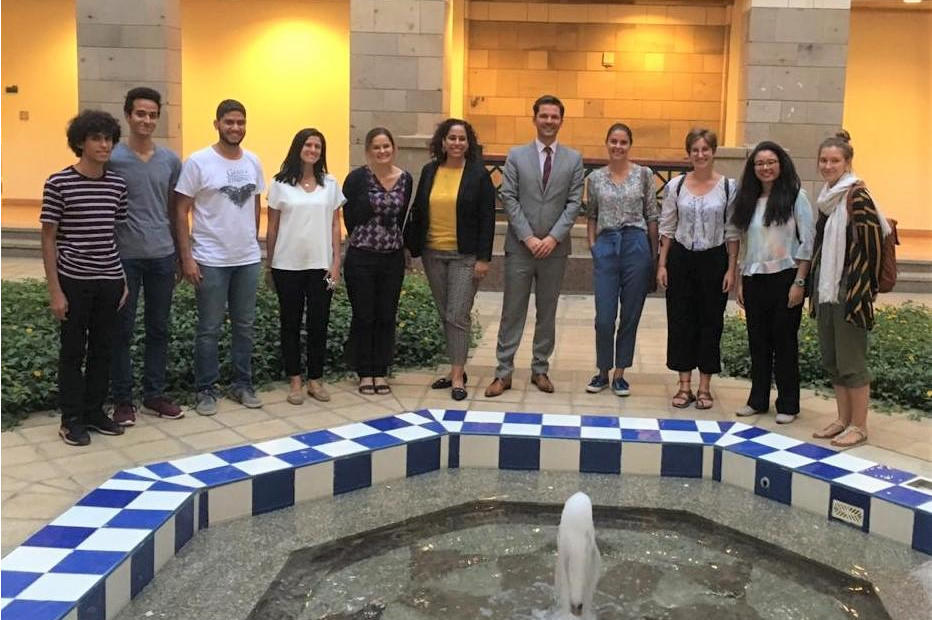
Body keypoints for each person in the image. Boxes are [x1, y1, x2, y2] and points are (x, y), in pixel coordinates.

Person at [485, 95, 585, 398]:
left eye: (555, 117)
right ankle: (504, 372)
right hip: (520, 247)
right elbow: (509, 197)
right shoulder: (516, 156)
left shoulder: (573, 159)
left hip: (555, 249)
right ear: (535, 119)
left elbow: (573, 203)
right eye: (544, 116)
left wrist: (552, 238)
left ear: (561, 121)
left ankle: (540, 369)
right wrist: (529, 237)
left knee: (547, 310)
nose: (549, 122)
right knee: (512, 310)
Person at [41, 110, 128, 446]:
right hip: (74, 280)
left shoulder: (117, 185)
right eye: (96, 138)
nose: (104, 145)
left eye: (108, 138)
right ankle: (71, 419)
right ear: (80, 142)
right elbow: (48, 238)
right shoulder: (58, 183)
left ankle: (94, 412)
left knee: (104, 349)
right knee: (73, 351)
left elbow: (115, 234)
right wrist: (55, 291)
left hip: (109, 280)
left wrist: (122, 278)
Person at [174, 99, 265, 415]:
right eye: (229, 122)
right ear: (217, 124)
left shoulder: (253, 161)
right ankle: (206, 390)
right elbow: (181, 209)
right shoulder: (198, 162)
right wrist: (187, 257)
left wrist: (253, 242)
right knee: (209, 329)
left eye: (240, 122)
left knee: (244, 325)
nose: (235, 128)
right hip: (210, 259)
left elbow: (255, 202)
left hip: (247, 259)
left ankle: (243, 384)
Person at [109, 87, 184, 426]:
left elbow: (175, 209)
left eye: (153, 114)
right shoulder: (112, 158)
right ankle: (123, 400)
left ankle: (154, 394)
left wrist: (183, 254)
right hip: (124, 258)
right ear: (128, 115)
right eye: (140, 113)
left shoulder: (170, 160)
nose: (147, 120)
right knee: (122, 330)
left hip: (162, 256)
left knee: (159, 328)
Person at [810, 131, 888, 448]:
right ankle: (843, 420)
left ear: (847, 162)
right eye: (824, 160)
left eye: (835, 160)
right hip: (827, 288)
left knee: (852, 360)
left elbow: (872, 250)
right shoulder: (830, 197)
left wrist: (859, 293)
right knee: (833, 358)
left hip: (849, 289)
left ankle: (859, 425)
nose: (828, 165)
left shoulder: (857, 196)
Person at [408, 118, 496, 401]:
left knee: (457, 314)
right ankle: (455, 366)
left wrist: (484, 258)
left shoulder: (478, 175)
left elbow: (487, 219)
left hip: (465, 256)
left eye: (462, 138)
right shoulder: (430, 170)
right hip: (434, 253)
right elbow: (419, 210)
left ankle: (457, 375)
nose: (457, 143)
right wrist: (413, 247)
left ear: (468, 144)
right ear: (442, 142)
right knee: (446, 314)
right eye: (452, 138)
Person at [731, 141, 815, 424]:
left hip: (787, 277)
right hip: (755, 278)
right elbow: (746, 244)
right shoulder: (747, 200)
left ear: (781, 164)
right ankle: (758, 400)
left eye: (770, 162)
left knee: (785, 342)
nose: (765, 168)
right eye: (759, 164)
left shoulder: (795, 196)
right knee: (758, 342)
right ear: (753, 169)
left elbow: (808, 242)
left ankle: (788, 404)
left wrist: (800, 282)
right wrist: (742, 281)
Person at [657, 128, 738, 410]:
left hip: (714, 259)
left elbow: (732, 231)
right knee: (681, 321)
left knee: (710, 322)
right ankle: (684, 386)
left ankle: (705, 387)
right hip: (681, 259)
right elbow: (666, 227)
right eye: (695, 150)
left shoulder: (728, 187)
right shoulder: (675, 186)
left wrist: (731, 269)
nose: (700, 154)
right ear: (688, 153)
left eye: (705, 149)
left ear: (713, 152)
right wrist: (662, 264)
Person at [266, 128, 344, 405]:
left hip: (322, 267)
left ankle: (315, 379)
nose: (313, 150)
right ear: (298, 147)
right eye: (308, 145)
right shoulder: (279, 183)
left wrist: (336, 263)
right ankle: (295, 380)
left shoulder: (331, 184)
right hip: (286, 265)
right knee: (290, 322)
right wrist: (270, 263)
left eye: (318, 147)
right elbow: (272, 226)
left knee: (319, 322)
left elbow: (336, 225)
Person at [585, 123, 659, 396]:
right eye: (613, 141)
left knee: (630, 313)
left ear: (630, 145)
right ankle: (602, 370)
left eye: (623, 142)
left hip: (635, 244)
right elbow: (591, 213)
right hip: (606, 243)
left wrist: (653, 255)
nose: (618, 146)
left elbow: (652, 214)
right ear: (607, 143)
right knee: (604, 316)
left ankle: (620, 373)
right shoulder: (595, 178)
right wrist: (593, 245)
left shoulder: (644, 175)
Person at [342, 128, 413, 395]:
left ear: (393, 148)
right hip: (361, 256)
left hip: (392, 257)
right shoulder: (357, 178)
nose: (382, 151)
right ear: (368, 151)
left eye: (386, 146)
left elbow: (402, 216)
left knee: (386, 314)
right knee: (364, 314)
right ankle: (364, 371)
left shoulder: (405, 179)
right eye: (376, 147)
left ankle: (381, 370)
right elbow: (349, 218)